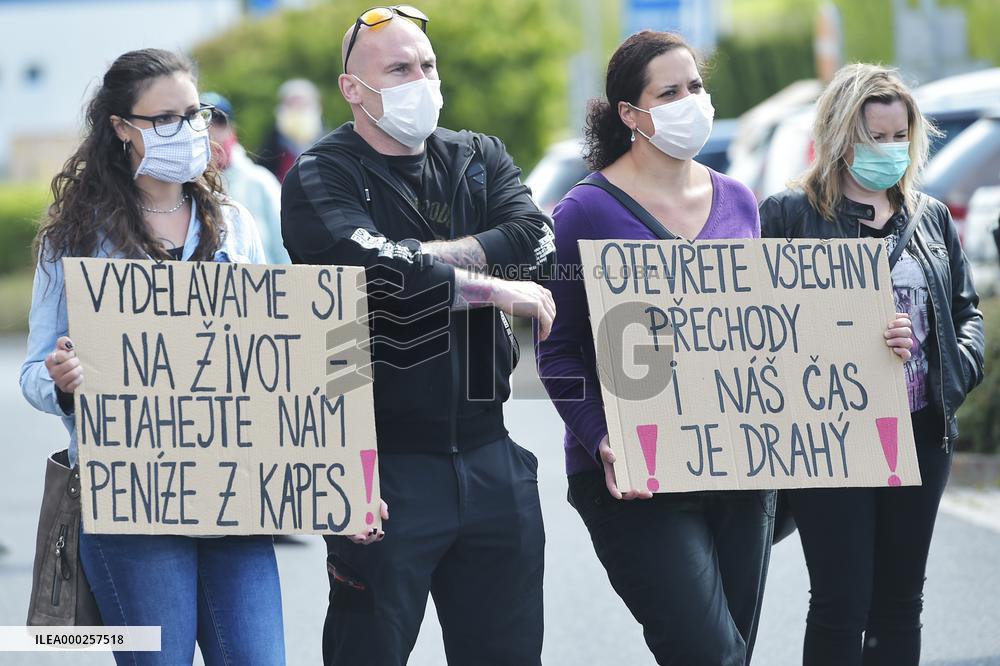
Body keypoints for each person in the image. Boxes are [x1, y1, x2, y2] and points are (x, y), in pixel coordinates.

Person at [280, 6, 556, 666]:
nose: (421, 80)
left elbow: (538, 243)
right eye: (399, 68)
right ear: (353, 89)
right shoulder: (321, 173)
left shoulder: (478, 157)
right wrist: (489, 282)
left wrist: (418, 256)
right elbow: (366, 270)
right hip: (382, 468)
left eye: (427, 65)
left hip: (494, 459)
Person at [18, 48, 289, 666]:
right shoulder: (75, 238)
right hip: (131, 504)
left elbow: (286, 347)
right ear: (121, 128)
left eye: (196, 113)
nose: (188, 130)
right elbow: (35, 371)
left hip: (235, 492)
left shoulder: (236, 225)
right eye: (165, 119)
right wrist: (63, 382)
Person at [536, 30, 773, 666]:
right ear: (630, 114)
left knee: (733, 654)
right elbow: (557, 352)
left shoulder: (740, 201)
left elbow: (764, 334)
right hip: (632, 477)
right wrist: (603, 440)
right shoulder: (581, 214)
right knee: (707, 654)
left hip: (738, 469)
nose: (690, 100)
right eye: (669, 92)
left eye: (695, 86)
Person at [758, 63, 985, 666]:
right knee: (839, 601)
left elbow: (967, 314)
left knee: (900, 602)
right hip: (830, 433)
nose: (889, 150)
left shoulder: (931, 217)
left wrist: (946, 373)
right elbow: (756, 321)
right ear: (838, 137)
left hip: (918, 430)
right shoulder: (787, 215)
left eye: (898, 136)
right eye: (873, 137)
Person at [203, 91, 290, 264]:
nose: (211, 129)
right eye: (202, 121)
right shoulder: (177, 187)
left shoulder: (260, 182)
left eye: (219, 121)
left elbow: (285, 250)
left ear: (232, 130)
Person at [259, 78, 325, 182]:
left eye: (302, 104)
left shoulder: (327, 138)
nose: (296, 109)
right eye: (291, 104)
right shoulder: (273, 140)